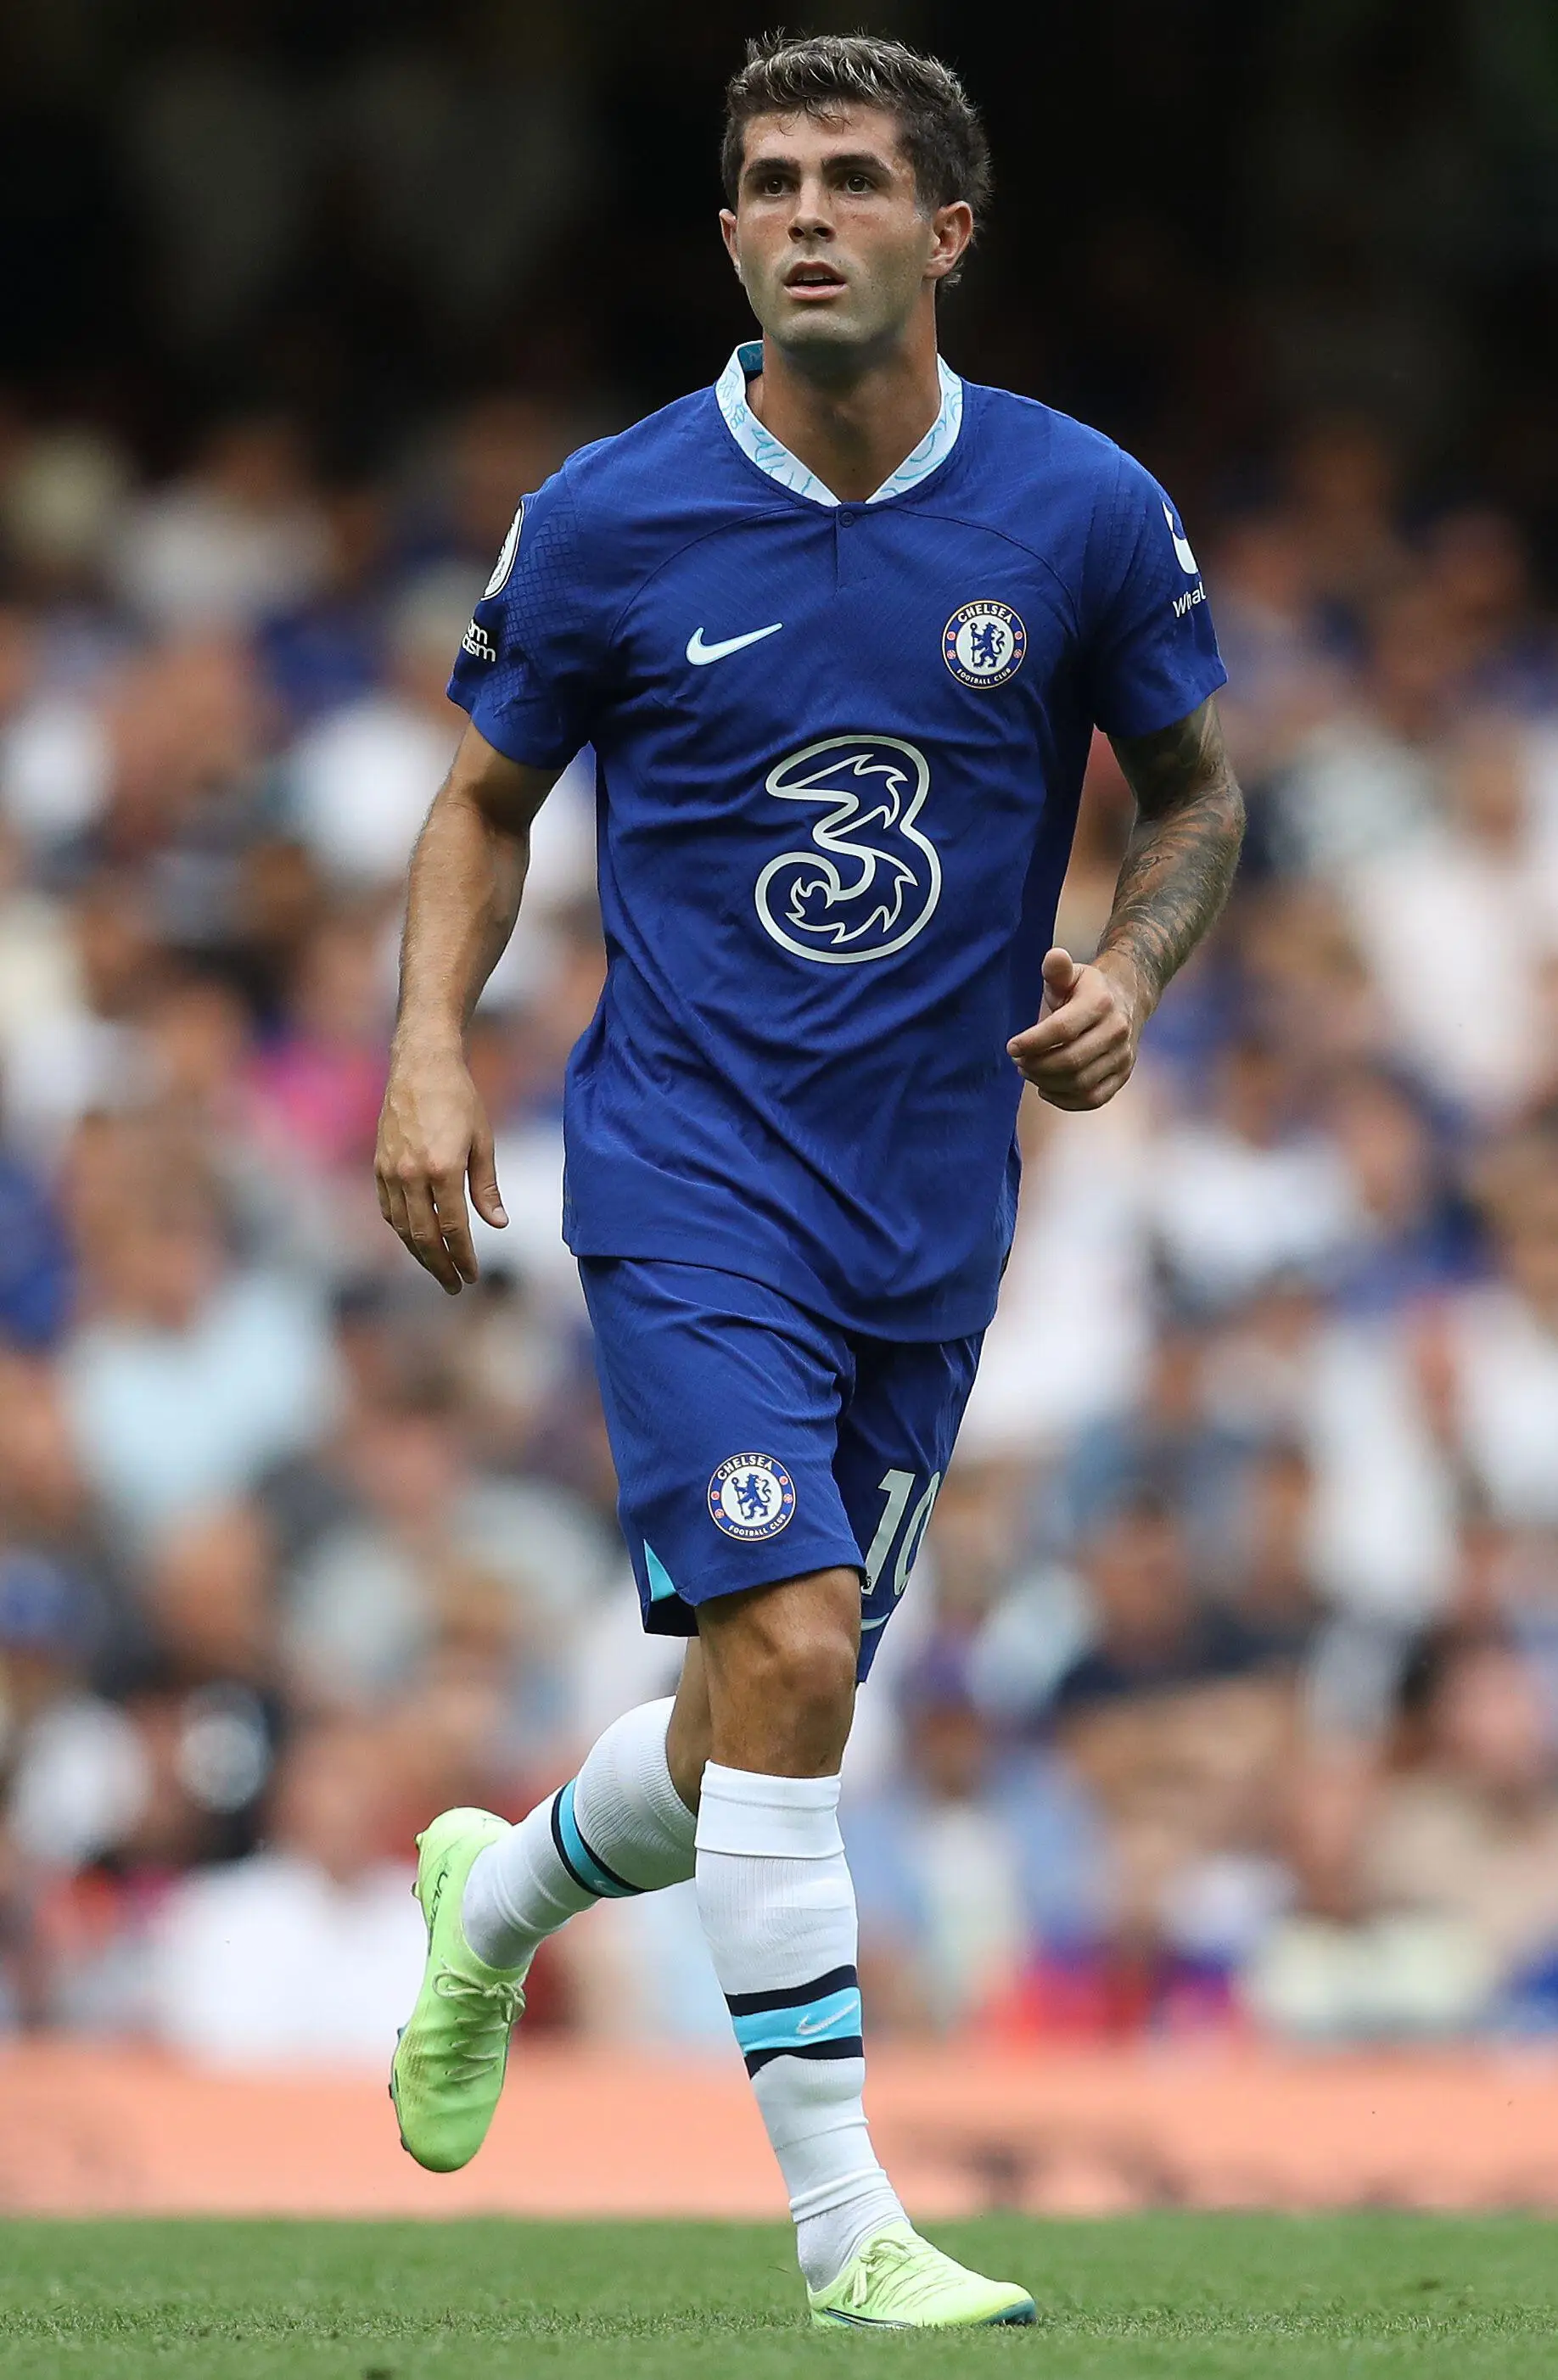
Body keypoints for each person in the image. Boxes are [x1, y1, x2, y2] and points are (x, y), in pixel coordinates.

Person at [373, 33, 1241, 2332]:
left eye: (853, 180)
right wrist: (429, 1051)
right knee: (784, 1639)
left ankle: (491, 1904)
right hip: (683, 1178)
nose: (803, 215)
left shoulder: (1073, 509)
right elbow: (480, 804)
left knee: (770, 1708)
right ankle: (849, 2225)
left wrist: (1132, 974)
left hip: (931, 1209)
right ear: (733, 232)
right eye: (766, 182)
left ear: (945, 232)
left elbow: (1195, 799)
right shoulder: (613, 512)